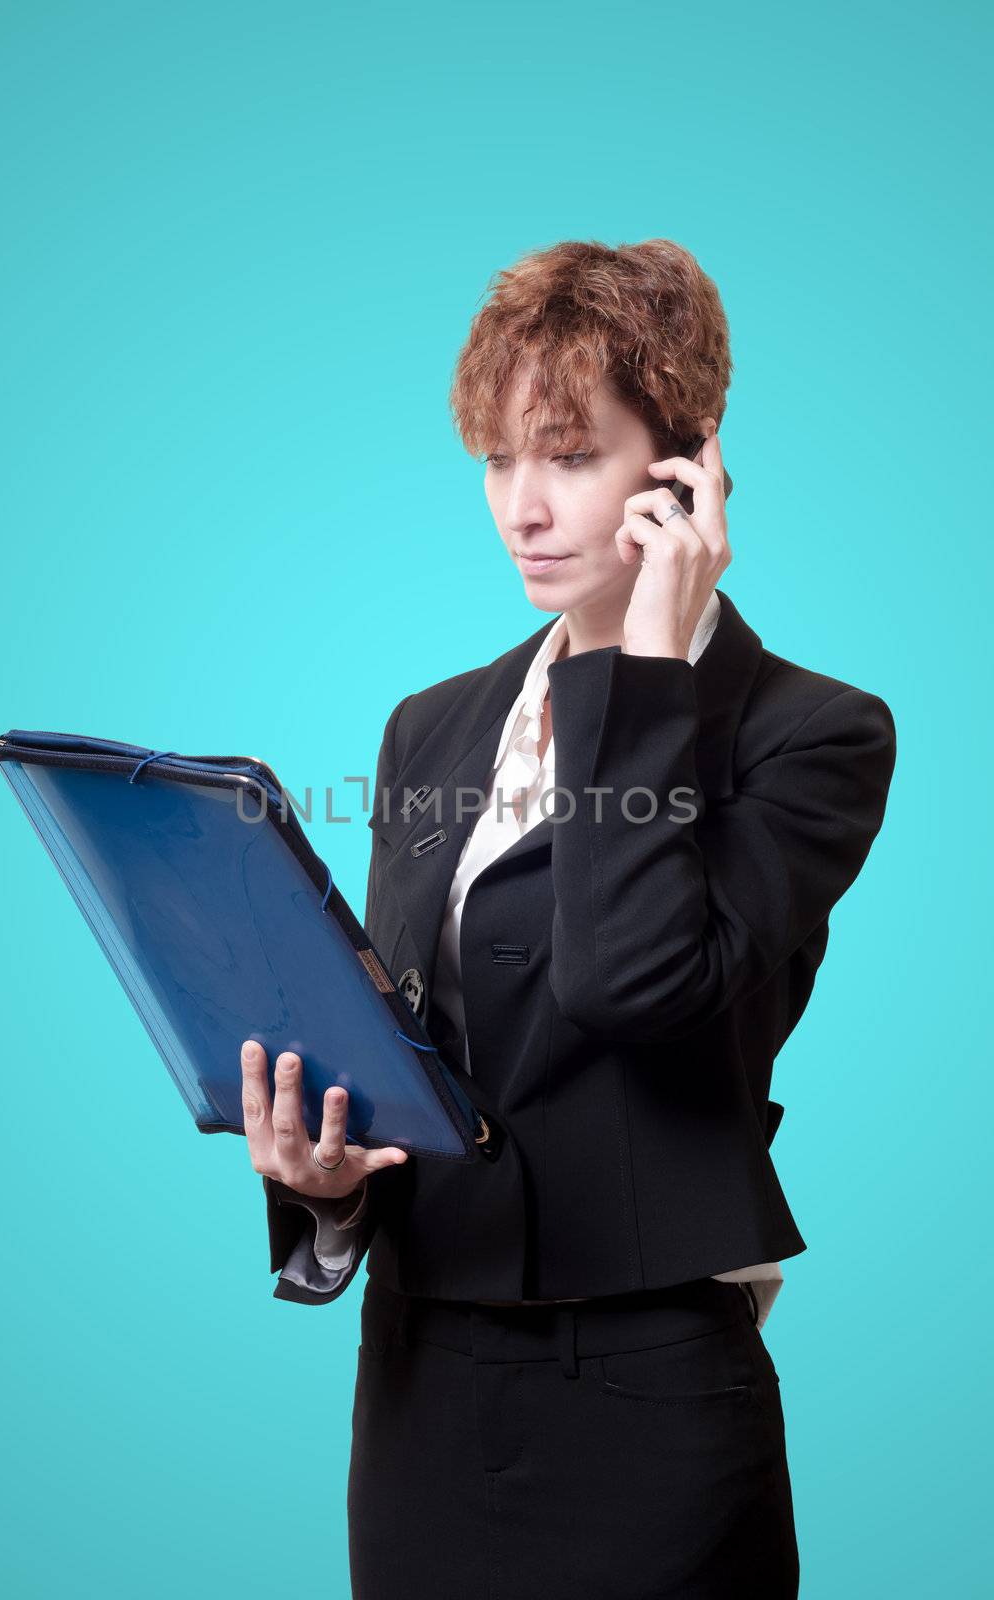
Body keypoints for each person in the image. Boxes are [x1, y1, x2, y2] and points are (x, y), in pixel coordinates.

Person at [239, 237, 897, 1599]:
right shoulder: (432, 727)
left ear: (687, 467)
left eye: (568, 454)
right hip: (426, 1382)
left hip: (649, 1393)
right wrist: (325, 1187)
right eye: (497, 459)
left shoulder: (812, 735)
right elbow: (417, 1051)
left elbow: (631, 985)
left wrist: (646, 668)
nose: (522, 508)